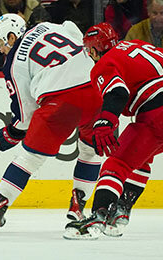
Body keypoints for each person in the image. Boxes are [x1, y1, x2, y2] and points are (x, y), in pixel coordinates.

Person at [0, 14, 103, 233]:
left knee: (31, 158)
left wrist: (11, 133)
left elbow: (25, 113)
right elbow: (74, 30)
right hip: (96, 88)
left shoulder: (12, 64)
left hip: (61, 101)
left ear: (11, 36)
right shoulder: (48, 25)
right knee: (90, 151)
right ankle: (78, 206)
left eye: (1, 43)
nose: (1, 50)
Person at [64, 22, 163, 240]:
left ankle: (97, 218)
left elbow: (117, 92)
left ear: (93, 49)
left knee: (116, 164)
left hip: (157, 113)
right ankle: (120, 212)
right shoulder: (138, 45)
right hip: (155, 112)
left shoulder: (104, 64)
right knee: (140, 158)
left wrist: (105, 121)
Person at [0, 0, 42, 69]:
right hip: (0, 50)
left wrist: (25, 25)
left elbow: (42, 35)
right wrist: (4, 47)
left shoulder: (34, 6)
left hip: (28, 48)